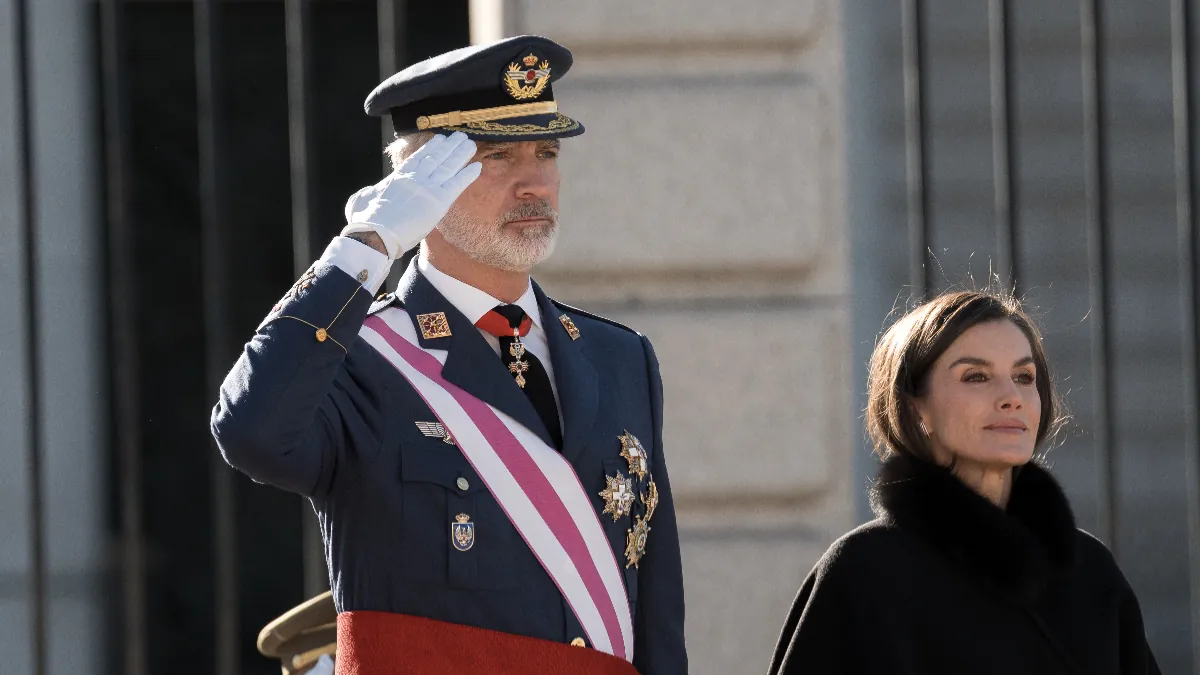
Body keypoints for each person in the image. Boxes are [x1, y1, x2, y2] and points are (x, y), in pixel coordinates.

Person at [211, 35, 686, 674]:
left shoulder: (619, 356)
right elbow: (251, 432)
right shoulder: (360, 357)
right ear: (418, 183)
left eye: (546, 152)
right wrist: (363, 251)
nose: (536, 184)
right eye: (497, 156)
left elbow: (654, 609)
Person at [766, 289, 1160, 675]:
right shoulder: (864, 572)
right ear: (916, 408)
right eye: (976, 376)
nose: (1012, 397)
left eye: (1024, 377)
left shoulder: (1088, 572)